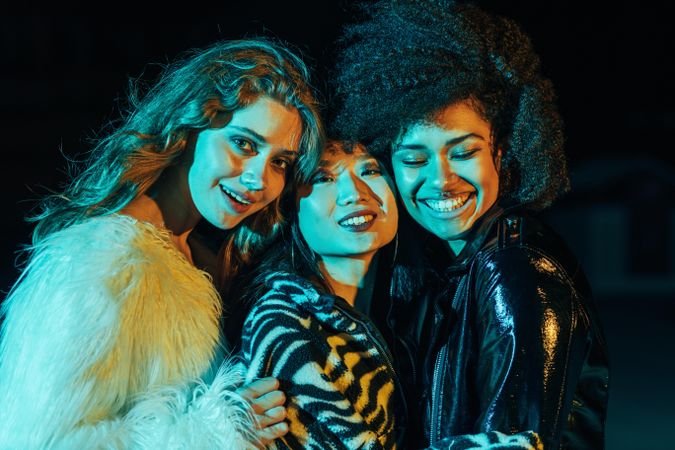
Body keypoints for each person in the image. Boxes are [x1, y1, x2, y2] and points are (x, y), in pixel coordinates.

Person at [0, 38, 323, 449]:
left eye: (280, 162)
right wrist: (221, 429)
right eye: (243, 143)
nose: (260, 180)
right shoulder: (103, 261)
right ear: (189, 128)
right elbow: (36, 441)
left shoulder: (197, 258)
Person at [331, 1, 610, 449]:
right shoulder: (447, 266)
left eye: (463, 152)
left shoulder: (515, 272)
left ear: (500, 152)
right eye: (415, 158)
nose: (441, 180)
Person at [237, 141, 400, 449]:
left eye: (370, 170)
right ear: (289, 207)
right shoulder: (283, 325)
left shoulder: (408, 310)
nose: (355, 192)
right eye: (323, 178)